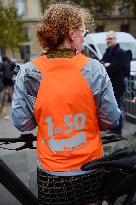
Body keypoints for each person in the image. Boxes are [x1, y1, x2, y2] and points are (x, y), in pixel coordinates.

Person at [12, 3, 120, 205]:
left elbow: (22, 123)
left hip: (51, 173)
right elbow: (112, 120)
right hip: (89, 168)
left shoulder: (28, 72)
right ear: (71, 33)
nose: (83, 37)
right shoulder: (93, 69)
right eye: (82, 31)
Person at [102, 31, 130, 136]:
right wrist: (107, 65)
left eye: (111, 38)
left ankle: (118, 133)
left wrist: (107, 65)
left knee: (117, 110)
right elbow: (102, 65)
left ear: (115, 39)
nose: (108, 40)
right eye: (107, 38)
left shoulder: (120, 52)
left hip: (117, 87)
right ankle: (113, 132)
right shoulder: (107, 52)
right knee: (110, 111)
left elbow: (115, 68)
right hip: (109, 87)